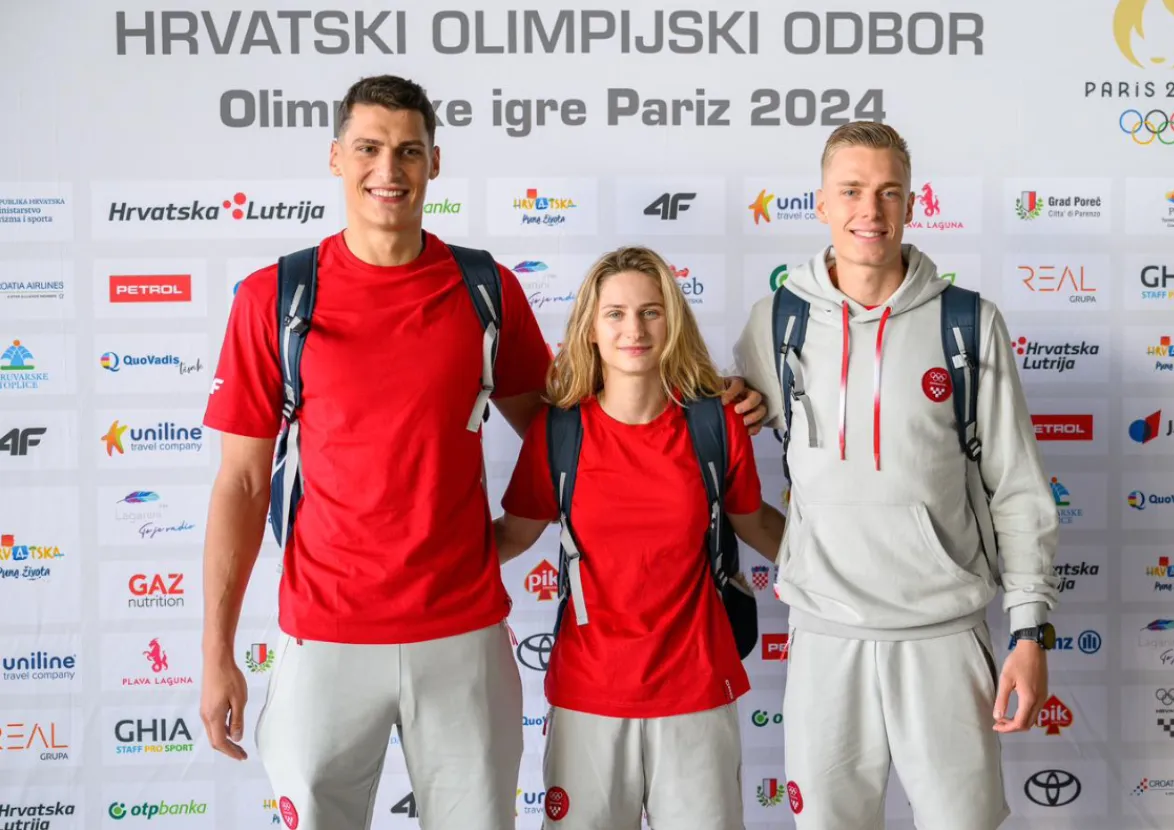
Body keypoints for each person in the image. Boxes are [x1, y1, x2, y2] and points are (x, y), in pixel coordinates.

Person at [197, 74, 767, 830]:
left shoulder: (484, 290)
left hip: (462, 632)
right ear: (336, 158)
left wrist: (703, 403)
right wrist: (216, 652)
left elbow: (573, 430)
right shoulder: (276, 298)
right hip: (324, 632)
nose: (387, 170)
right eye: (367, 149)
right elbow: (240, 484)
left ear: (436, 162)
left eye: (408, 151)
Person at [731, 122, 1059, 829]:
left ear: (912, 205)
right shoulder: (775, 322)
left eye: (887, 193)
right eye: (850, 191)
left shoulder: (967, 323)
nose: (868, 211)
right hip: (824, 636)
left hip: (942, 634)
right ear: (819, 203)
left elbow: (1019, 491)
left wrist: (1029, 635)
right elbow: (737, 428)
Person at [492, 246, 787, 830]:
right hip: (589, 695)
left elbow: (757, 524)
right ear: (591, 329)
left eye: (651, 312)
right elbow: (511, 537)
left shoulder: (714, 423)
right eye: (616, 314)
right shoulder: (559, 431)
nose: (634, 328)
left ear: (672, 323)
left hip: (698, 689)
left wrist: (857, 568)